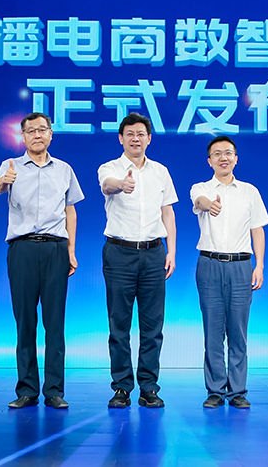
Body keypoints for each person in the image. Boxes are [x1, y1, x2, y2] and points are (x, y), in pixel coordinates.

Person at [0, 113, 84, 410]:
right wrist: (3, 181)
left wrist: (71, 250)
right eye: (30, 130)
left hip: (55, 248)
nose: (37, 135)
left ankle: (54, 390)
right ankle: (27, 390)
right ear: (22, 136)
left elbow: (70, 211)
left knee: (54, 322)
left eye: (42, 130)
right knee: (25, 322)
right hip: (22, 248)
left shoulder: (64, 169)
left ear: (50, 134)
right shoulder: (11, 166)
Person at [97, 112, 177, 408]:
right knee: (119, 325)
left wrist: (171, 251)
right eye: (129, 134)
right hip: (119, 253)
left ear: (149, 139)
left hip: (154, 253)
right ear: (121, 138)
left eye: (140, 134)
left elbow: (168, 212)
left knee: (152, 325)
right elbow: (107, 185)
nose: (135, 139)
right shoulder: (110, 168)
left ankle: (149, 387)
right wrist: (122, 184)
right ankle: (121, 387)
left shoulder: (161, 171)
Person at [191, 136, 268, 409]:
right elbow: (199, 201)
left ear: (236, 158)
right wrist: (208, 204)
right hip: (209, 264)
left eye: (228, 153)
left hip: (241, 265)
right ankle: (215, 390)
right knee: (213, 331)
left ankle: (237, 391)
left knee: (238, 330)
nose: (223, 158)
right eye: (217, 154)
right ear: (209, 161)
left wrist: (259, 265)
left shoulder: (250, 192)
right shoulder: (201, 188)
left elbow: (258, 229)